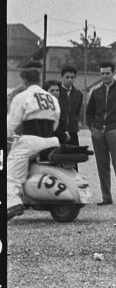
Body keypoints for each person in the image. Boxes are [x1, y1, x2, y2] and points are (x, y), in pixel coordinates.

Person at [6, 67, 61, 220]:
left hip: (30, 140)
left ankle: (13, 203)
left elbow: (11, 124)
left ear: (24, 80)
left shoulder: (22, 96)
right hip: (51, 140)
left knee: (11, 172)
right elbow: (56, 123)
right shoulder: (51, 98)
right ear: (39, 80)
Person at [85, 61, 116, 205]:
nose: (105, 76)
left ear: (113, 73)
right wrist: (93, 128)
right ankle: (106, 197)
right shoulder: (96, 92)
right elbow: (89, 112)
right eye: (102, 73)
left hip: (114, 131)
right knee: (102, 165)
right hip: (98, 132)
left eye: (107, 73)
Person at [57, 65, 84, 145]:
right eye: (67, 77)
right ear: (62, 77)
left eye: (72, 77)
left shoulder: (78, 94)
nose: (70, 79)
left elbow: (77, 112)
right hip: (58, 131)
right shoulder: (56, 91)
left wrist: (75, 122)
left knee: (74, 155)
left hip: (72, 131)